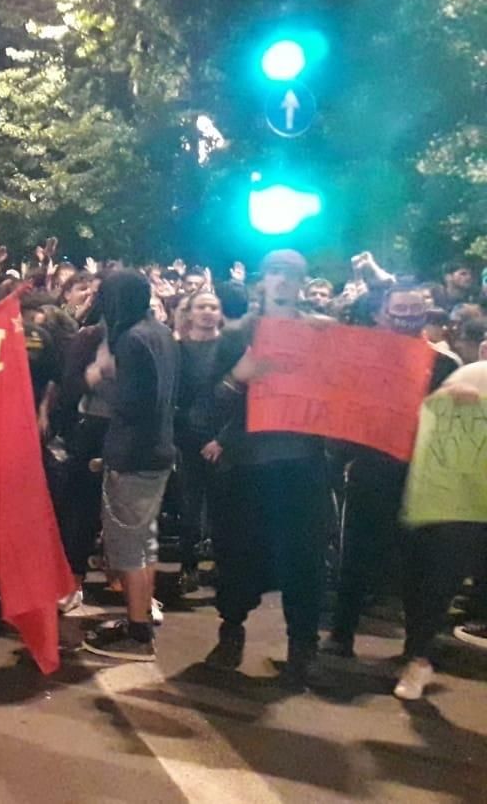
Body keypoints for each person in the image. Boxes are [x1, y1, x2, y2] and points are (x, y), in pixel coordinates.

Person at [204, 249, 333, 687]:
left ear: (302, 281)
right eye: (274, 273)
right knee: (238, 559)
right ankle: (231, 631)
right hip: (248, 467)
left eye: (291, 274)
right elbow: (207, 406)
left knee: (304, 562)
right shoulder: (238, 334)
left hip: (302, 466)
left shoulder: (319, 332)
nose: (281, 281)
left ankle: (302, 647)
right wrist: (240, 375)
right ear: (262, 281)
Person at [323, 285, 457, 658]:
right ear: (383, 314)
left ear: (425, 315)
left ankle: (416, 646)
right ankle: (341, 633)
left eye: (414, 311)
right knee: (356, 557)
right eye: (399, 311)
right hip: (371, 470)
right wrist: (336, 460)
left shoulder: (445, 365)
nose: (406, 319)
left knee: (418, 564)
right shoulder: (363, 362)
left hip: (421, 476)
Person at [82, 272, 178, 661]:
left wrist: (100, 378)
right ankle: (141, 615)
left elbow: (133, 402)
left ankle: (137, 633)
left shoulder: (132, 339)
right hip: (157, 453)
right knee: (145, 541)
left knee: (127, 547)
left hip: (133, 455)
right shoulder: (160, 333)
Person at [392, 361, 487, 698]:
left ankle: (418, 658)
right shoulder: (470, 373)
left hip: (473, 508)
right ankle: (416, 650)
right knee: (417, 579)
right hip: (434, 497)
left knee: (439, 583)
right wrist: (447, 394)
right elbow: (429, 414)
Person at [172, 291, 225, 594]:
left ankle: (222, 566)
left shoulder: (228, 348)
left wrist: (222, 438)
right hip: (188, 439)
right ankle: (188, 567)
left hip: (223, 438)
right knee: (189, 507)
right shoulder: (178, 350)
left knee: (223, 508)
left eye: (213, 307)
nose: (207, 311)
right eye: (201, 306)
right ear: (190, 313)